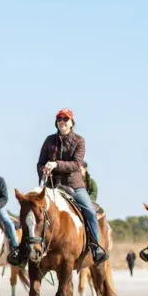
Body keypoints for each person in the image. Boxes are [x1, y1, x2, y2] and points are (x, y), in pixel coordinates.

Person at [33, 108, 107, 264]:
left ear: (72, 123)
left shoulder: (79, 141)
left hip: (74, 186)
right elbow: (40, 162)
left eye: (65, 119)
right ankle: (26, 249)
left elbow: (76, 164)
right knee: (32, 209)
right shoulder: (49, 140)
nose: (62, 122)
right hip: (51, 185)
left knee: (89, 211)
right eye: (59, 119)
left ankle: (96, 247)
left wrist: (55, 164)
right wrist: (43, 171)